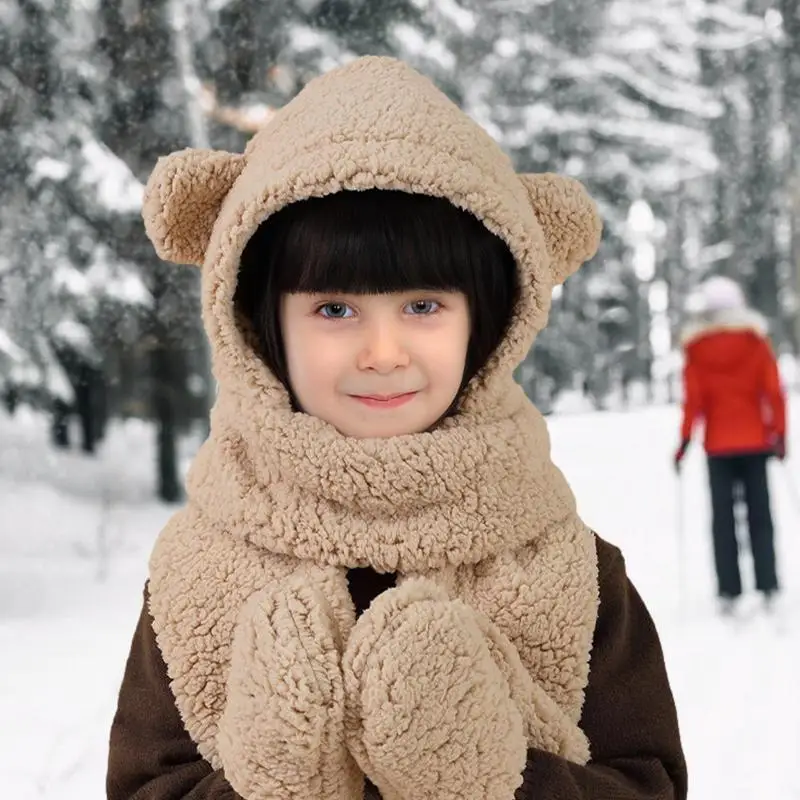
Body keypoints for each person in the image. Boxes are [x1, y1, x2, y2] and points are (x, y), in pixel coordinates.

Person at [107, 56, 687, 800]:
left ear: (490, 321)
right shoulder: (200, 576)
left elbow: (649, 782)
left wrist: (495, 778)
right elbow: (145, 785)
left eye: (422, 306)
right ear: (260, 326)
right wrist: (274, 783)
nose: (383, 354)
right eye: (335, 310)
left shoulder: (569, 571)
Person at [674, 275, 785, 616]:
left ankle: (729, 591)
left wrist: (684, 443)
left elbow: (694, 403)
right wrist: (780, 436)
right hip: (756, 442)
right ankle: (767, 586)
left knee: (722, 521)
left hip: (718, 446)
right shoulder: (756, 342)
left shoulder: (696, 349)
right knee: (760, 516)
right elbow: (774, 393)